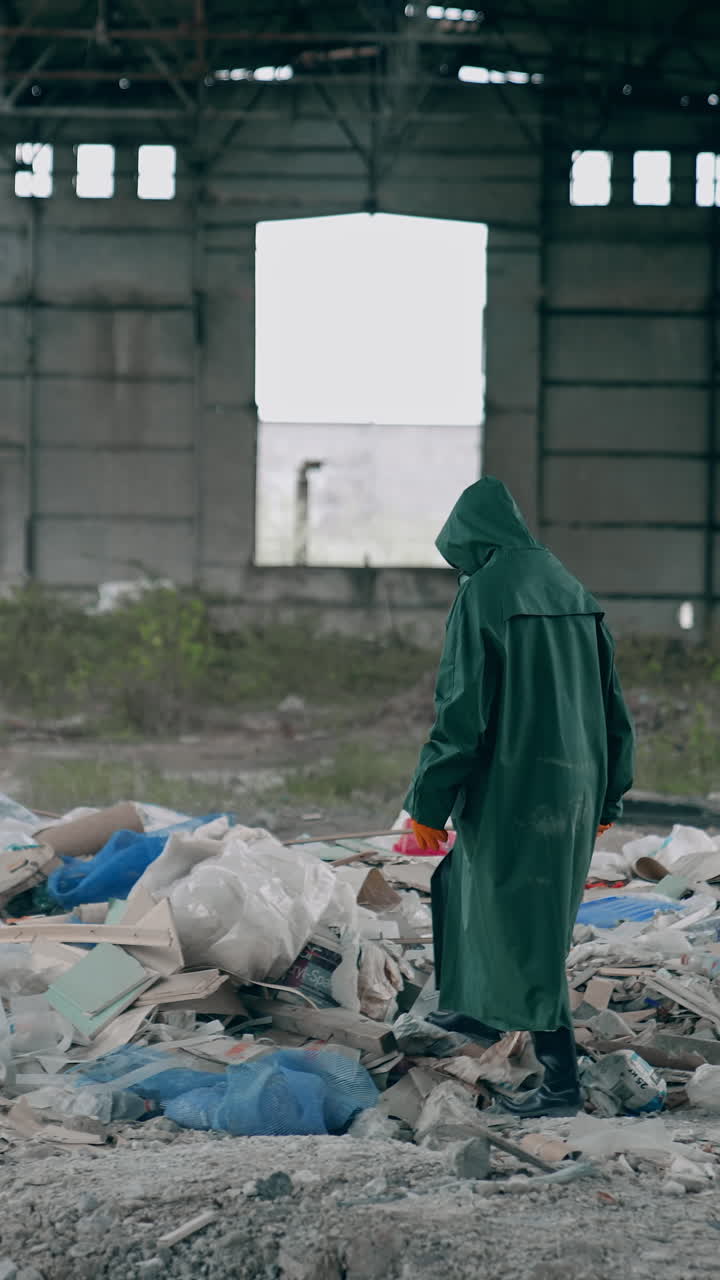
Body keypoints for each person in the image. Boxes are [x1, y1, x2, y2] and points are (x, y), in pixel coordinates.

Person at [405, 476, 634, 1117]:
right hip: (578, 788)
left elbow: (460, 710)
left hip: (515, 790)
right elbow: (615, 705)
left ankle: (560, 1083)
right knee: (470, 891)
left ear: (469, 541)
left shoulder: (486, 593)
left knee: (523, 934)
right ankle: (472, 1013)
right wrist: (611, 794)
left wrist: (428, 802)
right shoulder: (570, 588)